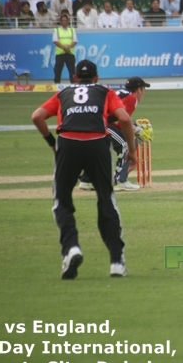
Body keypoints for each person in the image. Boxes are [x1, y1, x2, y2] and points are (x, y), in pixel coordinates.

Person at [31, 59, 137, 279]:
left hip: (68, 143)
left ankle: (71, 248)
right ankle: (117, 262)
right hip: (97, 144)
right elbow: (125, 119)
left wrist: (52, 144)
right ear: (96, 78)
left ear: (76, 78)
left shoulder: (63, 93)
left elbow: (37, 116)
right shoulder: (105, 91)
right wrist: (132, 151)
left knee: (62, 201)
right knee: (106, 200)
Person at [79, 75, 150, 192]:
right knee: (126, 144)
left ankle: (87, 180)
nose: (144, 93)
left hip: (92, 121)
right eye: (144, 89)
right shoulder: (132, 98)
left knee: (101, 148)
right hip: (100, 123)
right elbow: (122, 121)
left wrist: (132, 126)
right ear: (139, 89)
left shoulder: (122, 93)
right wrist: (136, 130)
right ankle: (120, 181)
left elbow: (115, 119)